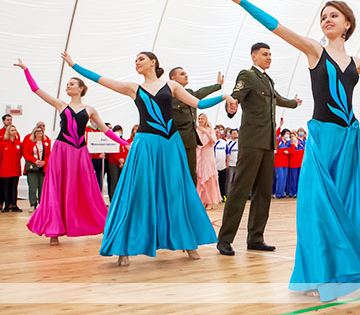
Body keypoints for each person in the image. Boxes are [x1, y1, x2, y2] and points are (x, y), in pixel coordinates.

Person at [215, 0, 360, 301]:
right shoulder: (314, 49)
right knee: (319, 207)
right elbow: (276, 26)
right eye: (324, 15)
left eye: (334, 15)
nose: (327, 19)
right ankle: (321, 271)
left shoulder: (357, 62)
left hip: (349, 138)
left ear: (347, 23)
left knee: (356, 204)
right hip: (323, 138)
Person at [61, 51, 234, 265]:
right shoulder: (133, 88)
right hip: (146, 144)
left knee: (177, 191)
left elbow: (198, 103)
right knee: (136, 192)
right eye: (135, 61)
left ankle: (188, 241)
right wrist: (74, 65)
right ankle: (123, 247)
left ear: (153, 62)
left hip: (170, 144)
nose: (137, 63)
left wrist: (224, 96)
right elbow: (100, 79)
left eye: (141, 59)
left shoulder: (171, 86)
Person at [13, 58, 122, 245]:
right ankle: (54, 230)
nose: (67, 87)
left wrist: (123, 143)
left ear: (81, 88)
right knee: (57, 188)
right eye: (67, 85)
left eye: (71, 84)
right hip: (62, 151)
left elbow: (105, 130)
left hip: (80, 153)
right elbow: (36, 89)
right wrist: (26, 69)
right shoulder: (61, 105)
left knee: (85, 188)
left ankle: (101, 223)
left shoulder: (90, 110)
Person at [215, 41, 301, 257]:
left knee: (263, 193)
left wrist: (294, 103)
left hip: (268, 143)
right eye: (265, 54)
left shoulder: (267, 80)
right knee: (240, 190)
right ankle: (225, 240)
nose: (269, 57)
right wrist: (231, 106)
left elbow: (277, 99)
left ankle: (255, 237)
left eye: (270, 54)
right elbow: (236, 97)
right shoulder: (247, 75)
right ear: (254, 57)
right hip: (252, 141)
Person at [170, 67, 224, 186]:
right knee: (175, 174)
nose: (186, 75)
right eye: (182, 74)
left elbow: (200, 93)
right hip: (175, 141)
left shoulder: (189, 93)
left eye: (186, 73)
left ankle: (191, 202)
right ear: (173, 78)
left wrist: (217, 86)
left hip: (190, 141)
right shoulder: (168, 96)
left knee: (191, 174)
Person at [196, 113, 222, 210]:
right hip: (199, 155)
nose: (200, 120)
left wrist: (205, 132)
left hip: (208, 156)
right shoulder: (196, 130)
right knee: (200, 177)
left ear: (206, 119)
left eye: (202, 118)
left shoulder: (210, 129)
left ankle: (210, 201)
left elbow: (213, 141)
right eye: (199, 118)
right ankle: (202, 200)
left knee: (209, 177)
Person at [23, 125, 50, 213]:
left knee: (42, 187)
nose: (39, 133)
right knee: (33, 187)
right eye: (37, 131)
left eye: (41, 131)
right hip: (33, 167)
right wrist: (35, 161)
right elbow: (26, 153)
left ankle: (42, 204)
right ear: (34, 133)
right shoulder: (29, 141)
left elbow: (49, 153)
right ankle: (32, 204)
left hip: (43, 167)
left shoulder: (46, 141)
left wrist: (44, 162)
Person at [0, 124, 23, 213]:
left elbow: (20, 155)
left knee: (14, 187)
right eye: (12, 130)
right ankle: (6, 205)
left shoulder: (19, 143)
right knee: (5, 187)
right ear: (8, 132)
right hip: (5, 169)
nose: (14, 132)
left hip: (15, 168)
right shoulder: (2, 144)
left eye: (15, 130)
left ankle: (14, 204)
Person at [106, 125, 128, 201]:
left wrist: (123, 160)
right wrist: (118, 159)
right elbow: (112, 153)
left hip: (122, 164)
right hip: (113, 163)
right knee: (114, 182)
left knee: (121, 182)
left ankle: (121, 200)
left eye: (120, 131)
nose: (119, 132)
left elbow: (127, 151)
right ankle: (113, 200)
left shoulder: (124, 141)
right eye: (117, 131)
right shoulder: (112, 142)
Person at [274, 128, 292, 198]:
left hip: (285, 163)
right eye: (287, 133)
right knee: (280, 178)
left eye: (289, 134)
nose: (288, 135)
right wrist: (283, 151)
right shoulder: (278, 140)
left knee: (284, 178)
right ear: (283, 134)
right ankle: (278, 193)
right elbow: (275, 151)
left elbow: (291, 151)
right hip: (278, 163)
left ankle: (282, 193)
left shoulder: (287, 142)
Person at [287, 128, 306, 198]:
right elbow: (291, 152)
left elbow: (303, 153)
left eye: (294, 135)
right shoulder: (289, 143)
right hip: (293, 164)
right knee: (293, 179)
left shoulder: (301, 143)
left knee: (299, 179)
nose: (293, 137)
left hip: (300, 164)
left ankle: (299, 192)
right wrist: (293, 145)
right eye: (291, 135)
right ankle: (293, 193)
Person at [214, 127, 229, 200]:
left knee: (222, 182)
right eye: (215, 132)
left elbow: (227, 153)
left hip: (222, 165)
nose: (216, 133)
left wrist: (227, 163)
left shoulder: (224, 142)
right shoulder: (212, 142)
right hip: (214, 166)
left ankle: (223, 195)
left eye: (218, 132)